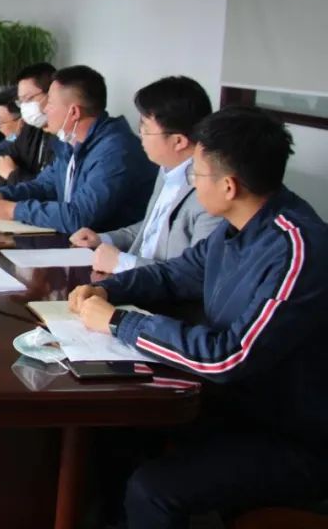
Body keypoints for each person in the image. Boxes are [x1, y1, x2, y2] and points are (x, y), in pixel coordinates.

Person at [68, 106, 328, 529]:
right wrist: (109, 290)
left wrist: (118, 322)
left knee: (154, 489)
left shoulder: (297, 249)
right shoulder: (235, 229)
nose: (190, 182)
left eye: (196, 173)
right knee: (113, 431)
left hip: (293, 436)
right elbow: (175, 274)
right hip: (236, 406)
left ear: (228, 185)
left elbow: (229, 356)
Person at [0, 65, 156, 233]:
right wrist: (2, 196)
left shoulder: (115, 151)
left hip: (106, 249)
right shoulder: (69, 142)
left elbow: (79, 217)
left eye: (50, 103)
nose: (45, 110)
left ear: (74, 112)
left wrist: (13, 210)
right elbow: (44, 185)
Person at [70, 76, 221, 273]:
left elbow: (196, 275)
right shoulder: (168, 169)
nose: (140, 135)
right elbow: (151, 229)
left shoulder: (209, 195)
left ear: (178, 141)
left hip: (157, 290)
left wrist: (122, 263)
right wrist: (104, 239)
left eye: (147, 130)